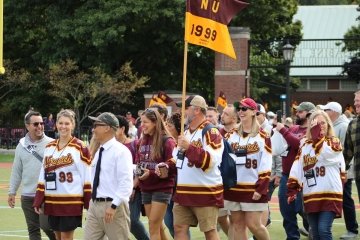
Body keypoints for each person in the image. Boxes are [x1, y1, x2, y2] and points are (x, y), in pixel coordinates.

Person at [33, 109, 92, 240]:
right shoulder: (49, 147)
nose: (63, 126)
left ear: (73, 125)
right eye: (60, 123)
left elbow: (87, 177)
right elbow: (43, 175)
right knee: (57, 237)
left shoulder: (80, 147)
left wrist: (88, 203)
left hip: (71, 202)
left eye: (67, 123)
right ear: (56, 125)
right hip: (52, 201)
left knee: (66, 238)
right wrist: (38, 199)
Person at [287, 110, 346, 239]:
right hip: (311, 193)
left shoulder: (333, 142)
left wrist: (316, 137)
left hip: (330, 192)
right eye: (316, 124)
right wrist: (292, 189)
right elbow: (297, 167)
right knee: (315, 233)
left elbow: (327, 155)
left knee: (324, 230)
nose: (320, 126)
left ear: (328, 124)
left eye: (323, 123)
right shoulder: (305, 145)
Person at [174, 95, 224, 240]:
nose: (182, 112)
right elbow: (178, 158)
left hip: (206, 191)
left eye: (185, 108)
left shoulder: (211, 131)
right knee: (178, 228)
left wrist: (189, 148)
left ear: (196, 110)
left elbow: (211, 162)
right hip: (183, 191)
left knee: (209, 230)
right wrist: (167, 165)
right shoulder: (186, 132)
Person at [224, 98, 272, 240]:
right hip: (233, 187)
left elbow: (266, 163)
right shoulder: (230, 135)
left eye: (244, 109)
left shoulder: (263, 136)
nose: (241, 112)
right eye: (239, 109)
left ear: (253, 112)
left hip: (253, 187)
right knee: (237, 224)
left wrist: (261, 187)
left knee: (254, 225)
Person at [8, 110, 56, 240]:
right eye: (36, 124)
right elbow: (17, 170)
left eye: (41, 123)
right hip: (28, 196)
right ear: (27, 126)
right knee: (33, 231)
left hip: (47, 195)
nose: (40, 126)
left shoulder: (53, 144)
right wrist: (12, 192)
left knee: (48, 227)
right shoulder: (21, 145)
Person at [84, 112, 133, 240]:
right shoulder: (99, 150)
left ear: (107, 128)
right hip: (95, 205)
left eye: (97, 125)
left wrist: (113, 206)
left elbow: (126, 183)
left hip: (113, 206)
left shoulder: (121, 151)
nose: (93, 129)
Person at [275, 101, 315, 239]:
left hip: (304, 176)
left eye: (300, 111)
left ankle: (312, 232)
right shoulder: (294, 128)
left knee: (304, 210)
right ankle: (292, 236)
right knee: (286, 209)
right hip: (287, 175)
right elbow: (283, 144)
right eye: (297, 111)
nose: (296, 113)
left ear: (309, 113)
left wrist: (283, 130)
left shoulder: (312, 130)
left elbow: (298, 144)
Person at [137, 108, 177, 240]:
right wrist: (139, 172)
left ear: (155, 122)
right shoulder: (142, 140)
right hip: (146, 188)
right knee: (158, 226)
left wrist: (152, 173)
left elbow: (172, 166)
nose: (142, 125)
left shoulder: (167, 141)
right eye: (141, 122)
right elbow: (139, 161)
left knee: (153, 226)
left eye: (145, 122)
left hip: (162, 188)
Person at [322, 102, 358, 239]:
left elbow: (346, 150)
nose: (324, 111)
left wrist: (344, 171)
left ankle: (352, 230)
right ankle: (315, 228)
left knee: (346, 199)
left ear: (334, 112)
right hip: (332, 171)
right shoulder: (332, 125)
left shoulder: (343, 126)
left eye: (327, 109)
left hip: (342, 171)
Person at [115, 115, 150, 240]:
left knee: (132, 220)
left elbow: (139, 167)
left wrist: (133, 187)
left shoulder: (135, 144)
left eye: (115, 128)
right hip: (115, 190)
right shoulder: (110, 146)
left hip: (134, 188)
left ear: (122, 129)